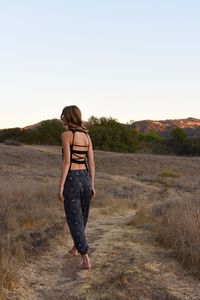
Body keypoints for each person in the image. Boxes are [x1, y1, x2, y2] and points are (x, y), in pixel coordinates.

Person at [57, 105, 95, 269]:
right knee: (83, 216)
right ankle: (75, 248)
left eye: (63, 116)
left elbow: (66, 162)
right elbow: (91, 163)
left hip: (72, 179)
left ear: (67, 117)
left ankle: (85, 259)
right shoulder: (86, 136)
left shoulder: (66, 135)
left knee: (75, 219)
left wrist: (60, 185)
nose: (61, 119)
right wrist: (92, 184)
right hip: (86, 179)